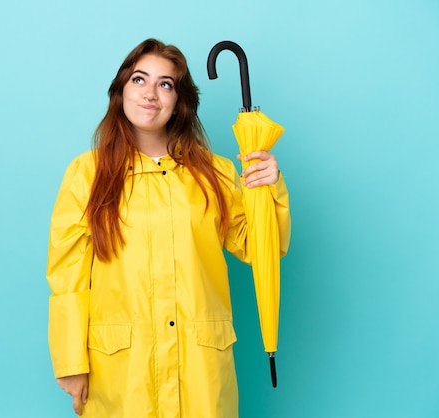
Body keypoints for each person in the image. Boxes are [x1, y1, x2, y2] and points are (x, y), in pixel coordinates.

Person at [46, 38, 291, 417]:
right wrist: (71, 362)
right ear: (121, 90)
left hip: (200, 368)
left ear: (179, 101)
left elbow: (262, 250)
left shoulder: (217, 174)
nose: (150, 94)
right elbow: (68, 274)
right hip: (123, 368)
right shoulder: (88, 174)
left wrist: (268, 189)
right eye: (139, 80)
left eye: (165, 84)